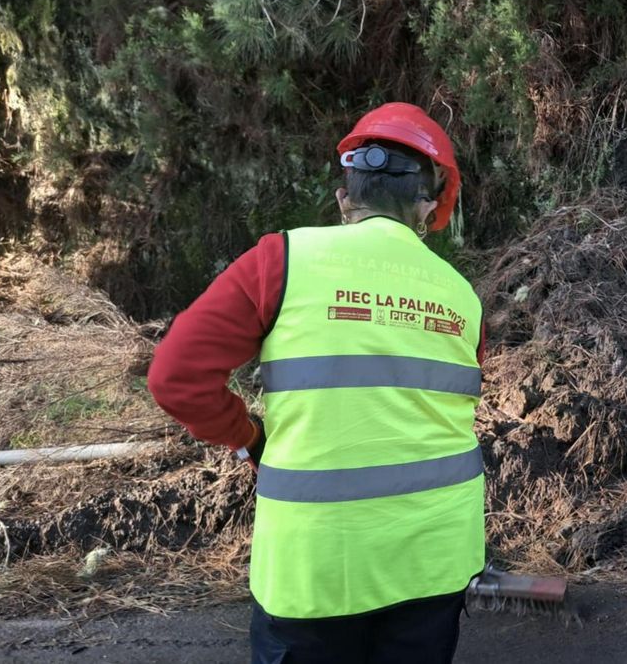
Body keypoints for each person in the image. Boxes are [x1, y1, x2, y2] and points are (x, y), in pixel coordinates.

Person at [148, 102, 486, 664]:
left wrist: (250, 437)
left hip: (317, 566)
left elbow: (175, 378)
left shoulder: (281, 260)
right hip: (436, 556)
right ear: (428, 207)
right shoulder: (462, 295)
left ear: (344, 198)